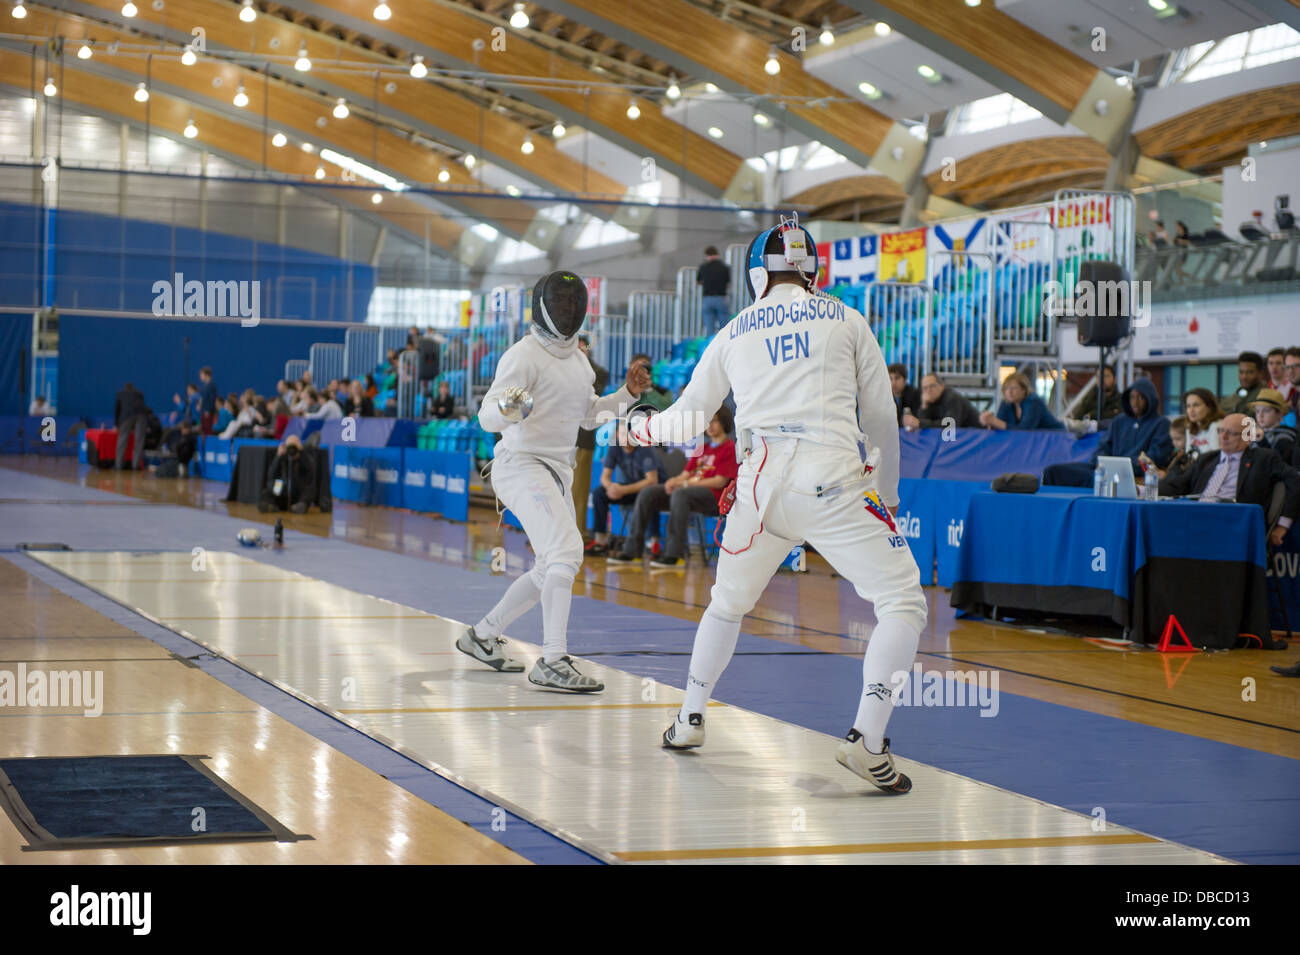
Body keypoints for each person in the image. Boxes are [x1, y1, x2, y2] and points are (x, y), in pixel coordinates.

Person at [630, 215, 926, 793]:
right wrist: (886, 496)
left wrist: (633, 426)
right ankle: (868, 742)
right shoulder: (846, 317)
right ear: (811, 269)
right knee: (902, 603)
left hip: (760, 491)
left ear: (755, 274)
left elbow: (686, 419)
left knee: (725, 604)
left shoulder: (736, 329)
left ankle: (690, 717)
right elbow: (882, 416)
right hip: (833, 485)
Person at [461, 270, 652, 692]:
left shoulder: (579, 361)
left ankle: (483, 634)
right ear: (544, 307)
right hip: (520, 464)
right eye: (561, 302)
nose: (567, 309)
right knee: (566, 551)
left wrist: (627, 396)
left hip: (557, 471)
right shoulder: (523, 355)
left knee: (553, 565)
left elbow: (587, 418)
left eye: (572, 303)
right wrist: (510, 407)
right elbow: (486, 416)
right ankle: (551, 659)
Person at [609, 406, 736, 568]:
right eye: (707, 421)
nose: (709, 425)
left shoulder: (730, 448)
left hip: (714, 498)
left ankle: (674, 555)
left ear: (724, 422)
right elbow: (686, 474)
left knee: (680, 494)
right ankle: (632, 551)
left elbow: (720, 481)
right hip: (688, 492)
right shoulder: (702, 448)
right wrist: (674, 481)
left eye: (714, 421)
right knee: (649, 492)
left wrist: (684, 484)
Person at [1159, 413, 1298, 550]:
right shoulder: (1206, 459)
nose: (1223, 437)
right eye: (1221, 431)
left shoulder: (1264, 458)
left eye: (1231, 433)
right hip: (1196, 518)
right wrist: (1145, 489)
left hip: (1236, 524)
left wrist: (1282, 526)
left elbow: (1295, 480)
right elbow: (1177, 485)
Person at [1042, 378, 1172, 486]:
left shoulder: (1161, 424)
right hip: (1105, 469)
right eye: (1132, 397)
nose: (1135, 402)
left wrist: (1123, 466)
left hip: (1129, 474)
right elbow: (1103, 447)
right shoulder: (1120, 421)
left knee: (1095, 479)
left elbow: (1154, 458)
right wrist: (1103, 463)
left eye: (1140, 398)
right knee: (1053, 472)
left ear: (1150, 399)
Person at [588, 422, 660, 556]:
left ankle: (654, 541)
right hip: (627, 489)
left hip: (649, 490)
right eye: (621, 435)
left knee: (649, 494)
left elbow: (652, 480)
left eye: (628, 435)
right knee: (599, 493)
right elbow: (605, 477)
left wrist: (622, 490)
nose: (625, 439)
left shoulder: (645, 447)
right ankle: (600, 541)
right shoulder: (615, 447)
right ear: (616, 435)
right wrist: (611, 487)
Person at [574, 334, 609, 543]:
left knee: (579, 490)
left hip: (583, 439)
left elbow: (587, 399)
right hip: (562, 438)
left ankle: (578, 534)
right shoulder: (565, 370)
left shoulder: (599, 373)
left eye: (581, 349)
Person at [980, 372, 1062, 430]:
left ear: (1024, 390)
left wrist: (995, 422)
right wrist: (990, 423)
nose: (1009, 392)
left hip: (1055, 440)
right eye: (1006, 388)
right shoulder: (1006, 403)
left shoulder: (1034, 402)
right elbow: (1000, 423)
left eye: (1013, 388)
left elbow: (1025, 431)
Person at [259, 435, 317, 513]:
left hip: (298, 494)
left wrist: (301, 453)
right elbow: (271, 475)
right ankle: (269, 506)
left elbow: (310, 473)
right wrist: (278, 456)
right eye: (290, 446)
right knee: (266, 492)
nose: (292, 450)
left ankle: (300, 506)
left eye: (294, 446)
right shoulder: (282, 457)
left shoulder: (304, 458)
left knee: (310, 490)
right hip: (282, 491)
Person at [901, 373, 980, 430]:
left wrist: (920, 423)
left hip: (978, 436)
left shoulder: (952, 398)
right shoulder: (928, 400)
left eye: (932, 386)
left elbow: (950, 425)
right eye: (925, 388)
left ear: (942, 386)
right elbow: (922, 429)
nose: (928, 391)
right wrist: (924, 406)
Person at [1250, 389, 1296, 461]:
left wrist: (1262, 442)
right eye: (1257, 411)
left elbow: (1277, 465)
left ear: (1279, 414)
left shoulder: (1284, 438)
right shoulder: (1254, 435)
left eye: (1266, 410)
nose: (1260, 415)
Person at [112, 382, 148, 471]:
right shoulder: (139, 393)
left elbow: (117, 409)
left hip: (126, 416)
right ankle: (135, 466)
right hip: (141, 416)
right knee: (139, 441)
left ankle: (118, 465)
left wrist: (116, 424)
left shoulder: (120, 393)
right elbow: (143, 407)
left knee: (122, 440)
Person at [1219, 350, 1266, 415]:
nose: (1244, 377)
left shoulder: (1266, 395)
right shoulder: (1239, 392)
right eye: (1241, 372)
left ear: (1261, 373)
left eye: (1249, 372)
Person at [698, 246, 731, 334]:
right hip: (721, 298)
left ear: (707, 255)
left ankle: (710, 344)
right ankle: (724, 345)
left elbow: (698, 282)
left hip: (707, 299)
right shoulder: (724, 267)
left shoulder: (703, 267)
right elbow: (728, 284)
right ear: (717, 254)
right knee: (724, 327)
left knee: (709, 328)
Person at [1182, 387, 1222, 456]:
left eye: (1196, 405)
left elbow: (1215, 457)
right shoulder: (1190, 427)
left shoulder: (1216, 426)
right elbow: (1188, 455)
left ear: (1209, 407)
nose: (1191, 410)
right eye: (1188, 406)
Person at [198, 366, 219, 434]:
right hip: (204, 412)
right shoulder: (205, 386)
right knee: (204, 430)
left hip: (208, 413)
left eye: (201, 375)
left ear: (207, 375)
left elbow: (212, 399)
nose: (200, 377)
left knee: (208, 430)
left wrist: (208, 410)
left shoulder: (211, 385)